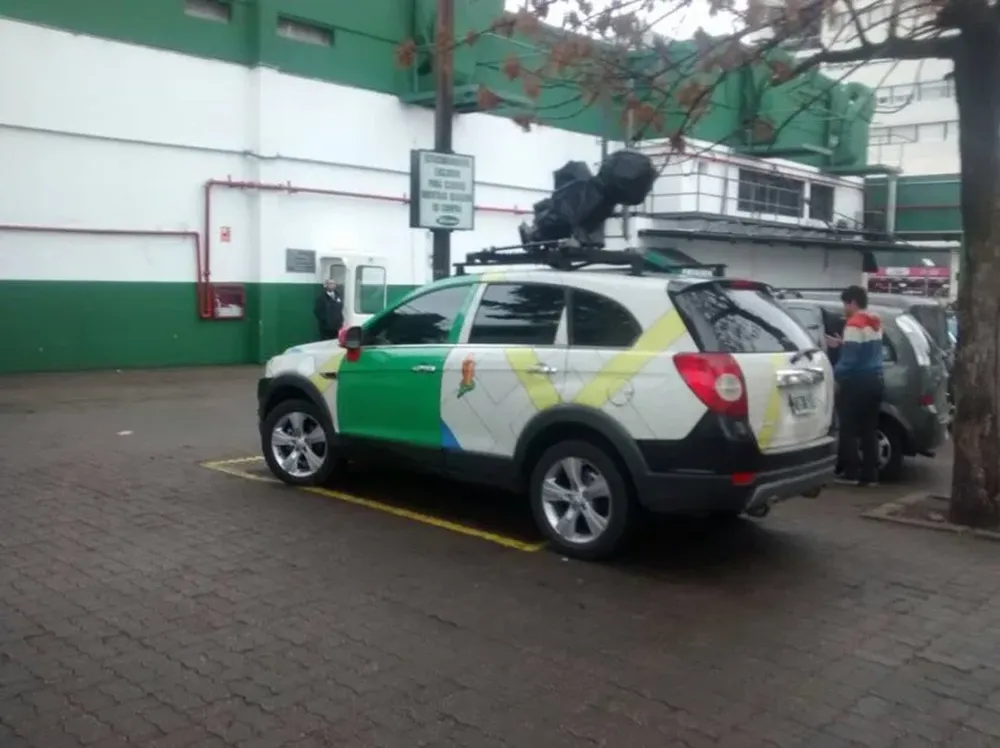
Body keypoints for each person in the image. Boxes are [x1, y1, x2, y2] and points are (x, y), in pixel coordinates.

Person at [825, 285, 884, 486]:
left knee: (848, 428)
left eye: (845, 304)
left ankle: (850, 472)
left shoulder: (854, 324)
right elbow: (866, 349)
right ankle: (870, 475)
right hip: (875, 380)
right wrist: (844, 343)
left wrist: (833, 375)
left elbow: (849, 361)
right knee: (869, 429)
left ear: (852, 302)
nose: (844, 309)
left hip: (856, 382)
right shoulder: (875, 322)